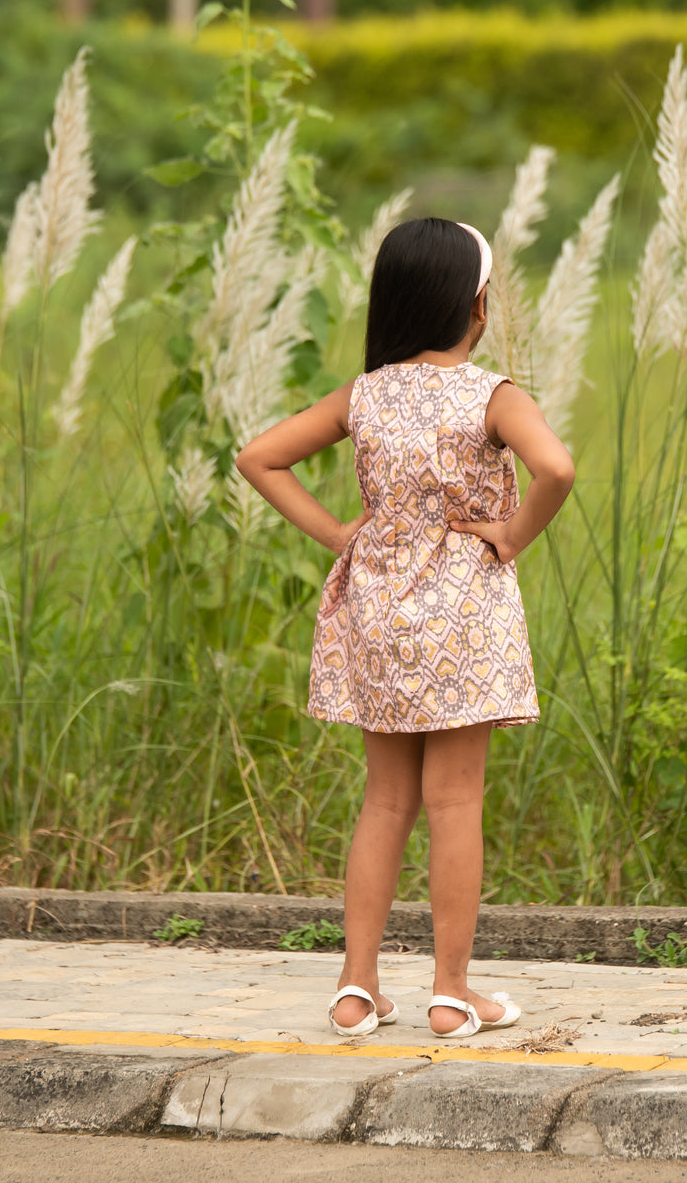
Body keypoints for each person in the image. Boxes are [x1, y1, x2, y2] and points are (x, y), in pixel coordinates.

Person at [236, 217, 574, 1038]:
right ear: (477, 306)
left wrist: (338, 533)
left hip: (380, 614)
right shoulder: (495, 395)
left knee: (385, 801)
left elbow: (258, 457)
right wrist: (515, 535)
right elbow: (557, 469)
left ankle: (356, 990)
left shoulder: (365, 394)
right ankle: (451, 995)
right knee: (455, 801)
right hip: (462, 617)